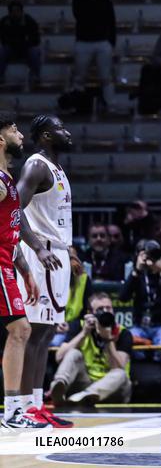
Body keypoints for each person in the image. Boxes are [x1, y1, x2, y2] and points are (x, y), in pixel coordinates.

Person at [0, 113, 63, 429]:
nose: (18, 132)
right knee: (23, 331)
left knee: (21, 330)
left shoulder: (7, 179)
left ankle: (14, 410)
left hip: (8, 264)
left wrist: (24, 269)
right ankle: (14, 409)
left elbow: (10, 232)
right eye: (12, 129)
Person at [14, 116, 75, 428]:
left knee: (48, 332)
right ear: (48, 136)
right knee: (35, 333)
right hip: (43, 255)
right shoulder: (36, 165)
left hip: (57, 253)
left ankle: (37, 405)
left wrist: (70, 252)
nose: (68, 132)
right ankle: (25, 407)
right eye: (61, 128)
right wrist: (37, 248)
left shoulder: (55, 167)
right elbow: (14, 210)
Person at [49, 292, 132, 406]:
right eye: (100, 309)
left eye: (108, 308)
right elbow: (59, 357)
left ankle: (87, 395)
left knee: (120, 374)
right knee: (73, 353)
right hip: (85, 381)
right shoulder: (81, 326)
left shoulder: (123, 332)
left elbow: (118, 366)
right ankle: (59, 387)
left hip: (113, 388)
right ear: (91, 313)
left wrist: (108, 340)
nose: (105, 312)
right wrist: (84, 333)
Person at [119, 239, 161, 348]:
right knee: (127, 341)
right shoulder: (137, 274)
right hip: (139, 326)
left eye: (154, 254)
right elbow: (122, 297)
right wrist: (136, 271)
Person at [71, 0, 117, 111]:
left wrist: (111, 43)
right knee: (79, 77)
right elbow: (79, 16)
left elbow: (112, 23)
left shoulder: (106, 1)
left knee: (106, 77)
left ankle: (110, 105)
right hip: (83, 42)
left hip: (102, 42)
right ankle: (77, 104)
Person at [0, 0, 42, 87]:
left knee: (34, 52)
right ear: (9, 12)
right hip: (11, 48)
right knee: (2, 52)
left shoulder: (30, 21)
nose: (15, 13)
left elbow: (36, 40)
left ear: (21, 11)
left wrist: (25, 43)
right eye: (12, 11)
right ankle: (1, 76)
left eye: (17, 11)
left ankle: (35, 76)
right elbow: (3, 39)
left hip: (26, 48)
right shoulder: (4, 22)